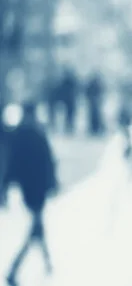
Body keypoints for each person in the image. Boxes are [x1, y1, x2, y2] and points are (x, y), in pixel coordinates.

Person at [4, 102, 58, 286]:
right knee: (35, 226)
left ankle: (47, 262)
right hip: (37, 187)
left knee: (38, 225)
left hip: (29, 186)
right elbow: (47, 160)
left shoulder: (20, 133)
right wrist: (52, 182)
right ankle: (14, 269)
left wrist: (6, 185)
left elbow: (11, 162)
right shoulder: (35, 132)